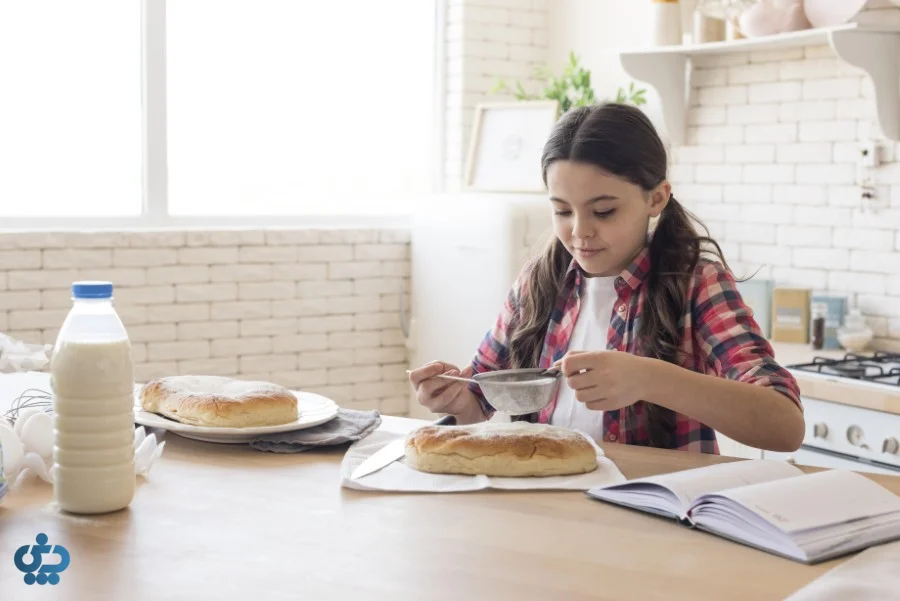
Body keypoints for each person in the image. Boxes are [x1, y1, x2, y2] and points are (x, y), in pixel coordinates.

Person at [409, 102, 804, 454]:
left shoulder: (696, 284)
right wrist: (456, 399)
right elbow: (479, 400)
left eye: (603, 211)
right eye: (563, 211)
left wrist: (649, 379)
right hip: (548, 506)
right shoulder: (538, 281)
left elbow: (785, 425)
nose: (580, 232)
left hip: (655, 511)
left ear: (656, 198)